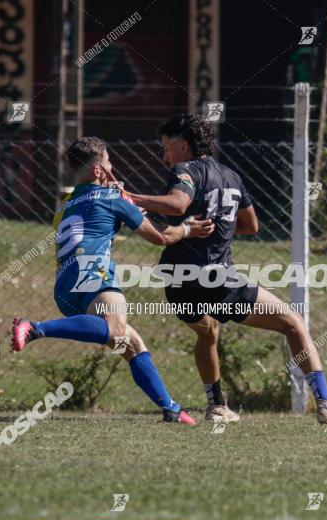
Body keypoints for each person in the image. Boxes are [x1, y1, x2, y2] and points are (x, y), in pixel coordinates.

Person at [122, 114, 327, 424]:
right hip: (215, 276)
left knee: (208, 332)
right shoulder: (231, 176)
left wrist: (133, 198)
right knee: (292, 323)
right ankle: (326, 401)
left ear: (184, 146)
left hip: (177, 279)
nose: (164, 155)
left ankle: (217, 406)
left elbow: (178, 204)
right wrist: (220, 223)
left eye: (166, 147)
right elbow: (249, 225)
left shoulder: (184, 170)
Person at [12, 136, 214, 425]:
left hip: (64, 285)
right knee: (115, 327)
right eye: (108, 162)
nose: (112, 167)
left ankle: (171, 409)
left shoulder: (65, 204)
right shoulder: (111, 198)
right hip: (93, 273)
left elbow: (92, 219)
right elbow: (160, 238)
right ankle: (34, 328)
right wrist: (186, 229)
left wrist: (125, 207)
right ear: (98, 170)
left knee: (131, 344)